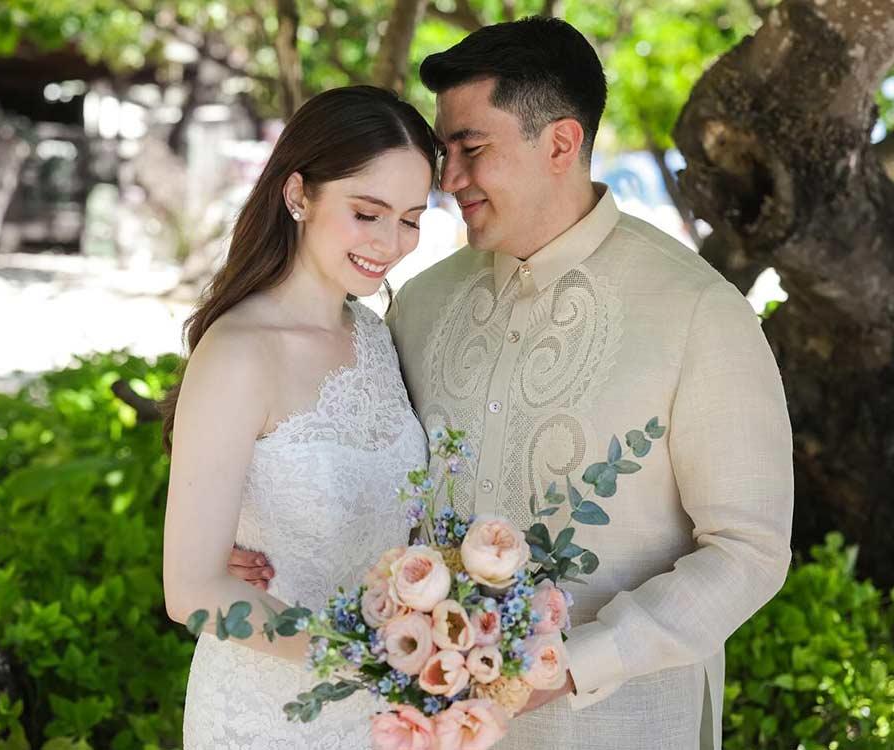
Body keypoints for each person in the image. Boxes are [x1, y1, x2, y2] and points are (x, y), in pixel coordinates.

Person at [234, 16, 794, 750]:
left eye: (472, 150)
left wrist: (568, 666)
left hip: (619, 729)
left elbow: (748, 551)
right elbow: (343, 447)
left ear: (560, 143)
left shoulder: (699, 313)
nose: (449, 179)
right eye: (445, 153)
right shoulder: (420, 303)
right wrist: (248, 536)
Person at [161, 85, 437, 749]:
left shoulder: (376, 334)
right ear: (298, 195)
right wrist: (373, 661)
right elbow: (193, 591)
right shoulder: (237, 353)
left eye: (410, 218)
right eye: (367, 212)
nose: (391, 243)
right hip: (269, 715)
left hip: (387, 715)